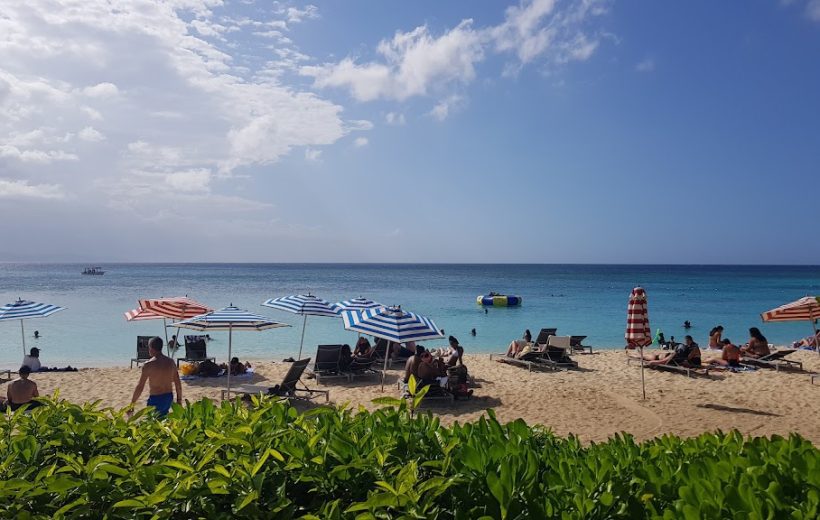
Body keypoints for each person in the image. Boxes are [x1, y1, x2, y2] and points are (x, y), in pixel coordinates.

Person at [129, 337, 182, 417]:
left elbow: (140, 386)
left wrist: (132, 404)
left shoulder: (148, 365)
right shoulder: (171, 362)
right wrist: (179, 401)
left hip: (156, 398)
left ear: (151, 348)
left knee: (152, 423)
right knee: (163, 420)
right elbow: (178, 384)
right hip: (168, 397)